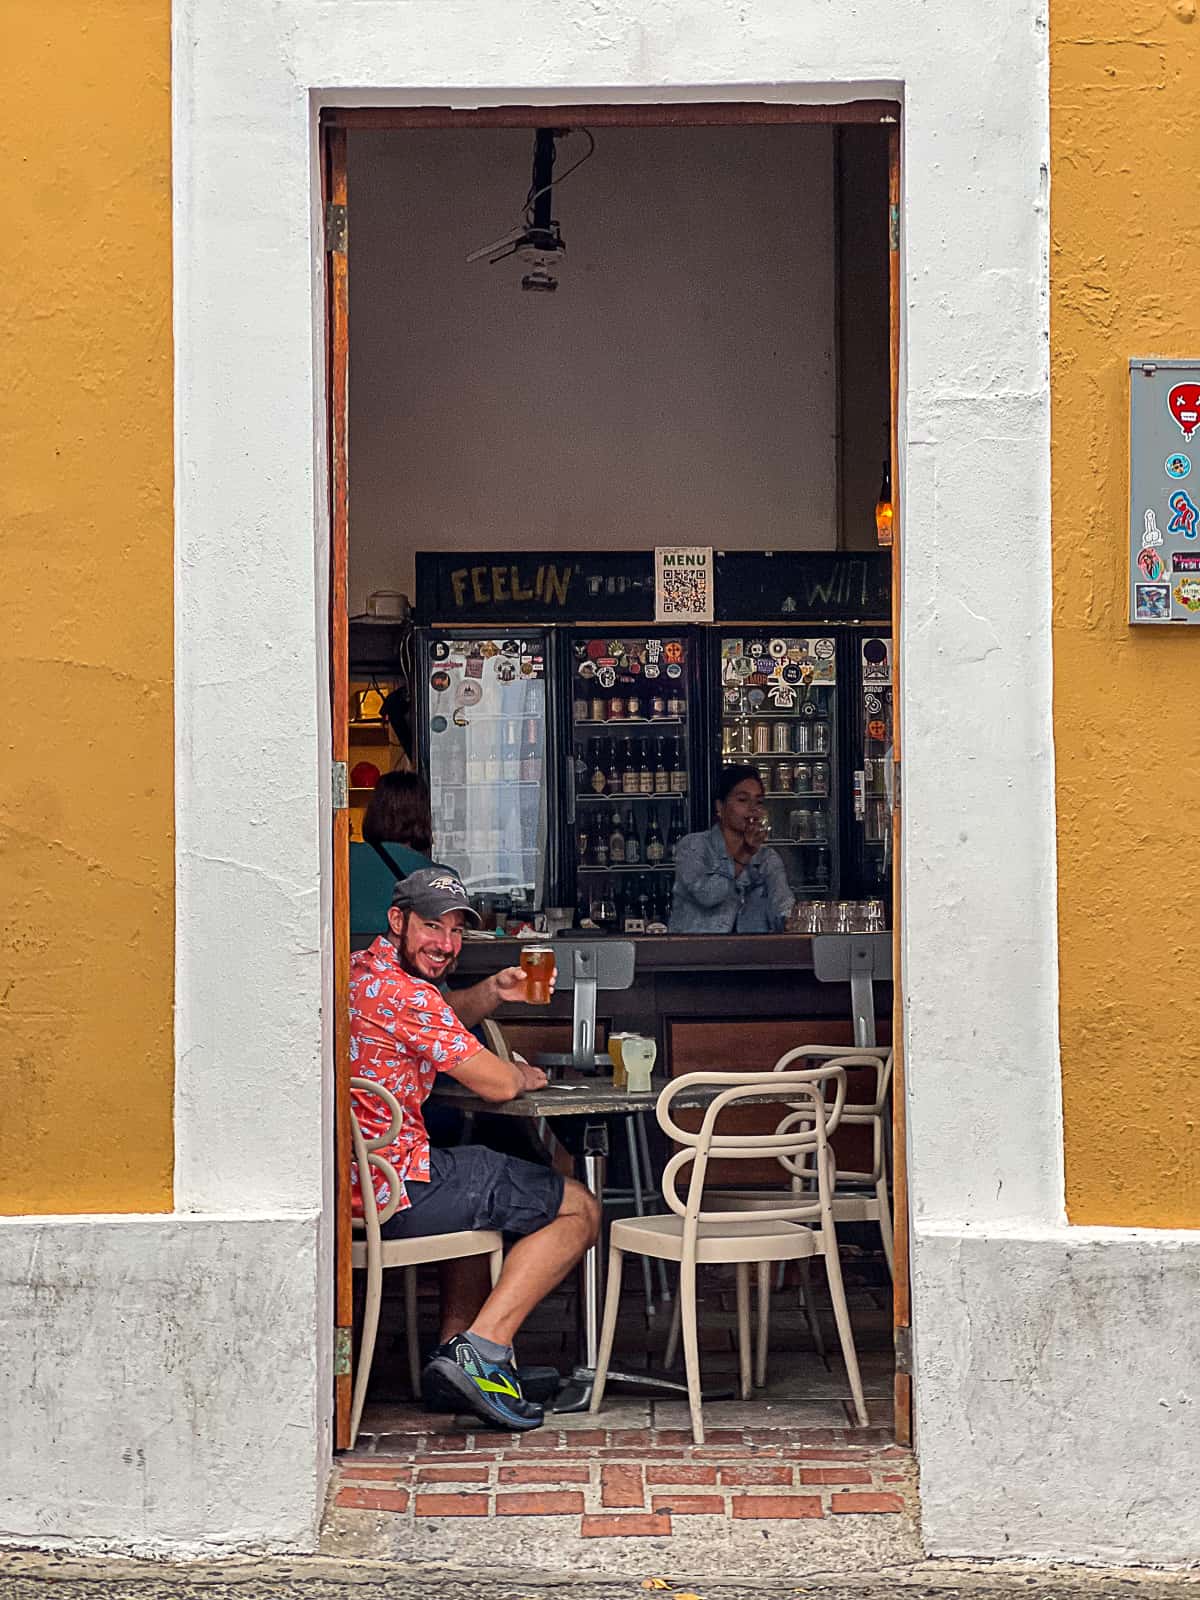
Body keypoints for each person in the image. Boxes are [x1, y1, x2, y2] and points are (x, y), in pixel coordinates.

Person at [350, 867, 600, 1432]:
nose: (445, 943)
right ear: (398, 921)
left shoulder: (362, 971)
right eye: (431, 927)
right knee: (579, 1207)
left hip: (360, 1181)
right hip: (400, 1189)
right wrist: (521, 1075)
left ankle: (454, 1369)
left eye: (457, 931)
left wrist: (491, 992)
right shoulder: (410, 994)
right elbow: (498, 1085)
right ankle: (483, 1350)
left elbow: (433, 1018)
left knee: (478, 1195)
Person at [668, 764, 794, 933]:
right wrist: (745, 854)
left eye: (758, 802)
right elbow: (707, 895)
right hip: (695, 954)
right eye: (743, 800)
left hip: (750, 955)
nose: (753, 809)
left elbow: (783, 905)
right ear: (720, 807)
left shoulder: (767, 857)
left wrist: (791, 922)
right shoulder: (693, 846)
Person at [349, 771, 449, 936]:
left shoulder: (341, 860)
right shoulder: (442, 878)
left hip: (346, 959)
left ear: (374, 811)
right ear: (424, 816)